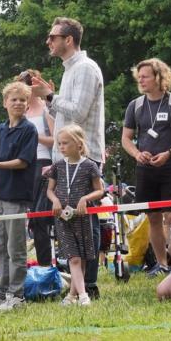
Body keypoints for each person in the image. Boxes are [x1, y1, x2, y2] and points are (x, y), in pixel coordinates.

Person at [31, 17, 105, 297]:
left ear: (69, 40)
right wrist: (49, 100)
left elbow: (79, 112)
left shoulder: (85, 68)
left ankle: (90, 285)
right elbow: (63, 116)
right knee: (66, 218)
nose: (48, 41)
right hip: (64, 158)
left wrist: (49, 96)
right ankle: (77, 284)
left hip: (85, 156)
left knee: (87, 220)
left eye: (53, 37)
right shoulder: (69, 70)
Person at [121, 58, 171, 276]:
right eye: (139, 77)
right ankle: (161, 263)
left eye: (146, 76)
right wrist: (136, 154)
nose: (141, 80)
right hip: (145, 170)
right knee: (152, 217)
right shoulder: (136, 105)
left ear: (159, 77)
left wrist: (169, 153)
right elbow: (126, 138)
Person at [0, 81, 38, 310]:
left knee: (16, 248)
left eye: (23, 100)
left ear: (27, 105)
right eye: (14, 99)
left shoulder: (29, 130)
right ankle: (1, 292)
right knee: (0, 247)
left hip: (18, 196)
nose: (18, 103)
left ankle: (17, 295)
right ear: (5, 103)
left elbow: (23, 162)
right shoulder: (0, 129)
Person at [47, 125, 104, 306]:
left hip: (82, 218)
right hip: (63, 218)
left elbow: (100, 191)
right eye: (59, 143)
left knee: (82, 257)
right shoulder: (57, 166)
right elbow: (49, 190)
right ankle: (84, 296)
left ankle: (71, 296)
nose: (61, 147)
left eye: (65, 143)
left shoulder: (90, 166)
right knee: (74, 258)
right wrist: (55, 200)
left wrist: (86, 199)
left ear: (78, 144)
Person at [22, 70, 56, 267]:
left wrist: (34, 136)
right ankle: (43, 263)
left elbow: (56, 139)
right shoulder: (22, 111)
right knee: (33, 220)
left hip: (43, 164)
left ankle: (48, 264)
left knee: (41, 217)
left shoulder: (45, 110)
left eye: (28, 84)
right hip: (24, 165)